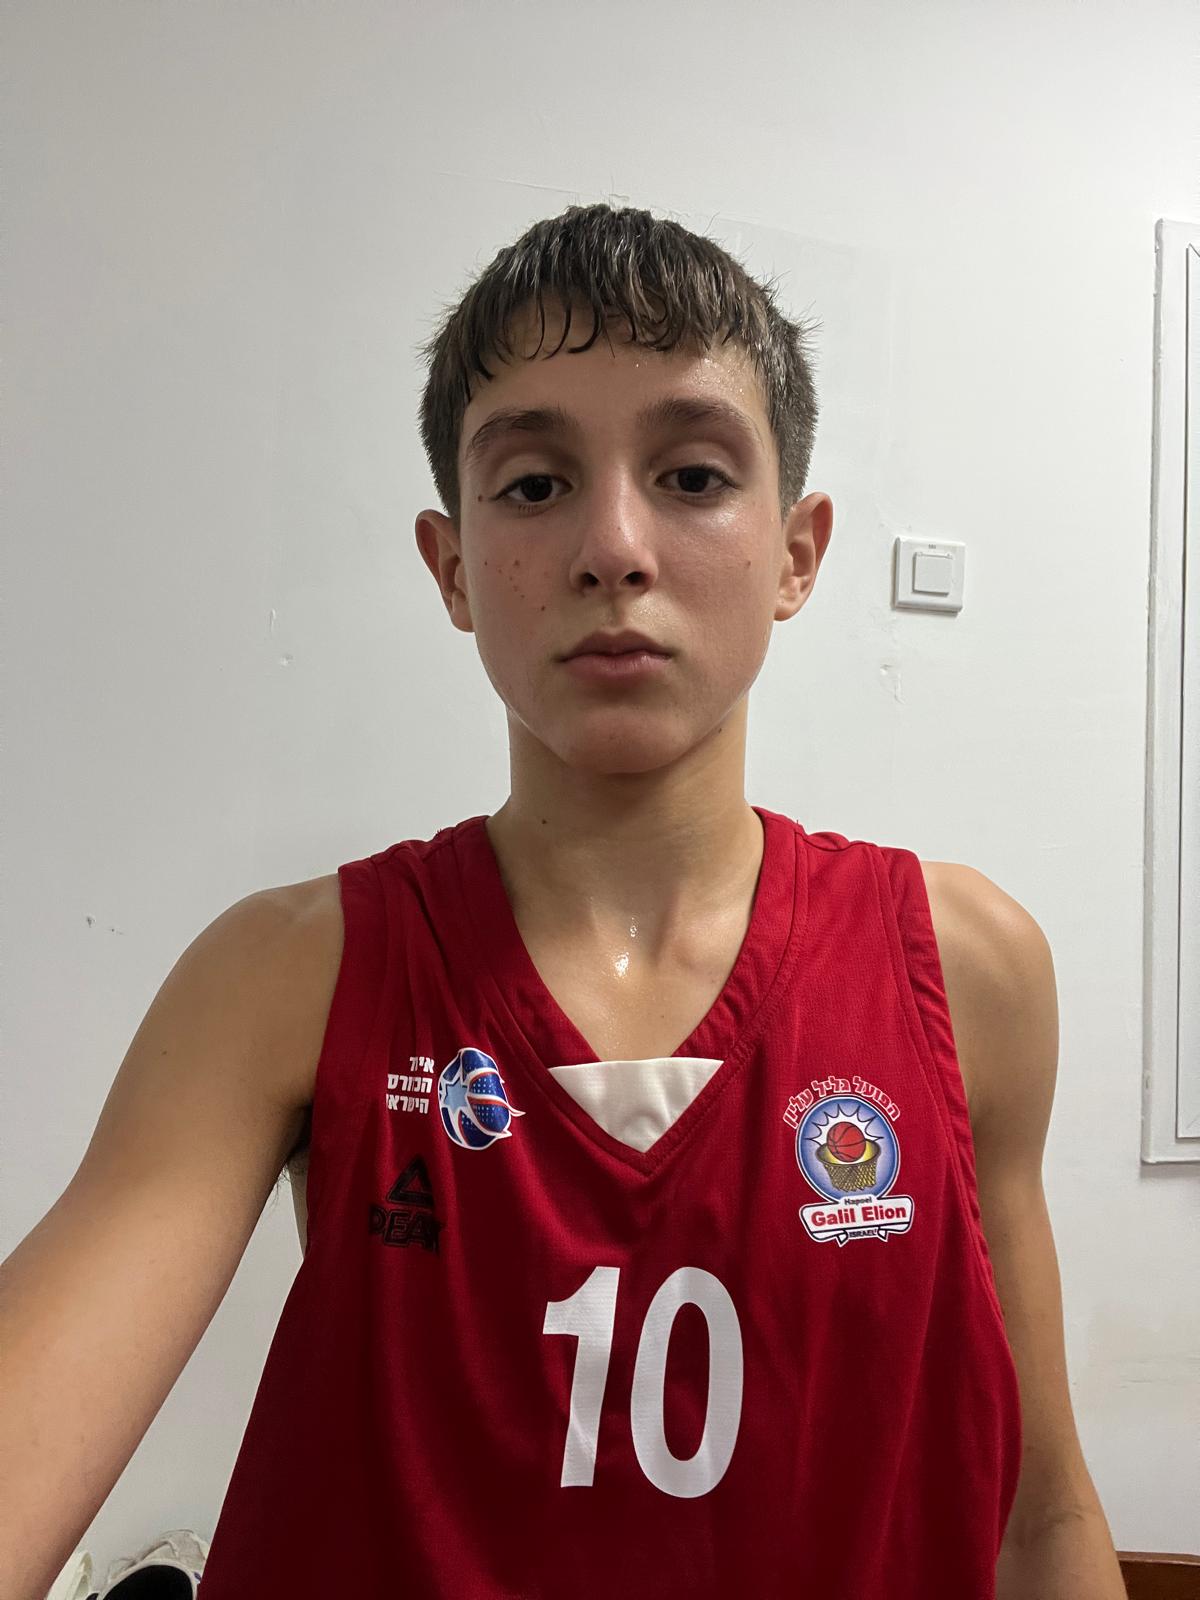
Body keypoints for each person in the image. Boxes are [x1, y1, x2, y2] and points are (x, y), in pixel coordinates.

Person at [0, 202, 1125, 1600]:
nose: (614, 547)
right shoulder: (283, 979)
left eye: (694, 475)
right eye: (535, 485)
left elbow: (1041, 1519)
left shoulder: (965, 970)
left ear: (797, 551)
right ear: (452, 567)